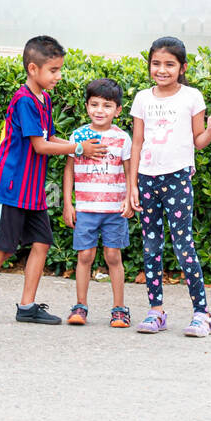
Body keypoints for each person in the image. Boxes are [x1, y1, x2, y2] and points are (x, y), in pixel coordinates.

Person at [0, 36, 105, 325]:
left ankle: (27, 306)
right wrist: (78, 149)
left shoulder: (44, 99)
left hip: (33, 190)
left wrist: (82, 145)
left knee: (41, 242)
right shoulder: (24, 100)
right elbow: (40, 145)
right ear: (32, 68)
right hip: (11, 188)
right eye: (53, 70)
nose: (58, 76)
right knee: (2, 249)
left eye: (59, 69)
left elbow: (50, 137)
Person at [128, 36, 211, 337]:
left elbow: (198, 142)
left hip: (177, 178)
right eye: (156, 63)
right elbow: (137, 143)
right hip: (146, 178)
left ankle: (202, 314)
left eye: (169, 64)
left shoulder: (191, 97)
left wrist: (210, 130)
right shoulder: (143, 98)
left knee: (184, 247)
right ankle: (156, 311)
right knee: (151, 246)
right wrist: (132, 184)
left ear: (182, 67)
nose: (162, 69)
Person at [63, 78, 133, 329]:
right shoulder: (78, 136)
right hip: (86, 208)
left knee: (113, 256)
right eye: (94, 104)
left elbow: (128, 171)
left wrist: (129, 198)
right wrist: (68, 204)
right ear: (86, 106)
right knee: (85, 256)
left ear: (118, 110)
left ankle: (119, 309)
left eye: (106, 105)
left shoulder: (123, 138)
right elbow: (69, 170)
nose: (99, 110)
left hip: (114, 210)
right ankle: (80, 306)